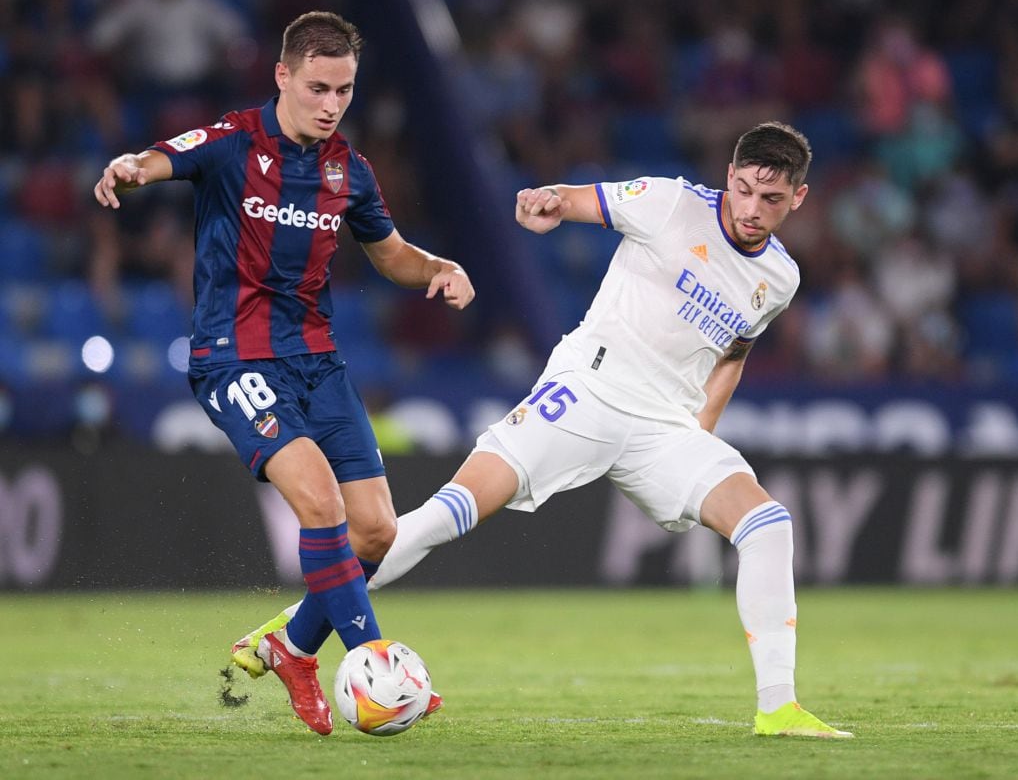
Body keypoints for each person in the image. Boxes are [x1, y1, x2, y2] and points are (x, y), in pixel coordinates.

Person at [241, 121, 850, 738]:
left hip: (665, 428)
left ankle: (779, 709)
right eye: (743, 189)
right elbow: (576, 198)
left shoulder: (780, 277)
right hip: (586, 390)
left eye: (770, 199)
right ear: (729, 176)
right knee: (445, 515)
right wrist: (547, 204)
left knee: (768, 525)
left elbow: (733, 354)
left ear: (798, 198)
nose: (751, 208)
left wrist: (703, 433)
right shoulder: (670, 203)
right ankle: (292, 633)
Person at [93, 11, 474, 736]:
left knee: (375, 530)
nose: (332, 104)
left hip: (317, 361)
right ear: (283, 77)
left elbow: (389, 253)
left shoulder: (348, 172)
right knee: (321, 501)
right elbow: (160, 158)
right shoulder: (234, 143)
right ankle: (375, 660)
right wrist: (130, 168)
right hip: (233, 355)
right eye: (319, 87)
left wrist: (438, 267)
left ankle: (293, 646)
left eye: (345, 90)